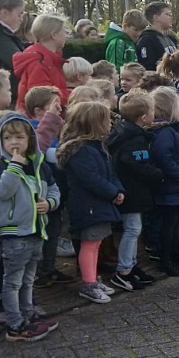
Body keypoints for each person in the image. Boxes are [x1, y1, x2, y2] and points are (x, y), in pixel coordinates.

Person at [0, 111, 59, 341]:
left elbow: (54, 189)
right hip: (15, 235)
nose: (14, 143)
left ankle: (28, 314)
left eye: (19, 137)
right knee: (12, 282)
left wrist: (50, 203)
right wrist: (14, 168)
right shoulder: (0, 166)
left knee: (28, 280)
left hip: (37, 232)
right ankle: (15, 324)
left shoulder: (39, 164)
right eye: (8, 138)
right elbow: (1, 191)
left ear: (30, 139)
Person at [56, 101, 124, 303]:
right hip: (89, 206)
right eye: (106, 120)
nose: (110, 124)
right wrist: (113, 193)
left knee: (95, 243)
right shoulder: (82, 151)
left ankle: (92, 278)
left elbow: (109, 173)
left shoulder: (95, 147)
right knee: (90, 244)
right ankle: (88, 283)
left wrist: (118, 190)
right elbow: (92, 179)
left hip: (97, 204)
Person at [105, 90, 162, 292]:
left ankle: (131, 264)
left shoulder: (126, 132)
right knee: (132, 229)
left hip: (131, 189)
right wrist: (158, 174)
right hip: (132, 190)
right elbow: (138, 165)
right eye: (152, 110)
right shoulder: (134, 139)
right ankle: (124, 271)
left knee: (134, 229)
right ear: (144, 116)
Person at [147, 87, 179, 277]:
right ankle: (168, 259)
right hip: (170, 186)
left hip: (173, 186)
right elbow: (162, 154)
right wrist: (178, 174)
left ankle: (176, 256)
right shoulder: (165, 131)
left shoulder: (169, 130)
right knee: (169, 225)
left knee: (173, 224)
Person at [13, 14, 70, 109]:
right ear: (54, 35)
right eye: (64, 32)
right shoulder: (39, 62)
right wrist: (75, 94)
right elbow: (43, 99)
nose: (66, 36)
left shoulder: (47, 58)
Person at [135, 1, 177, 71]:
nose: (170, 17)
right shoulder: (147, 40)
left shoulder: (171, 37)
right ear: (156, 17)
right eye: (167, 14)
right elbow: (147, 67)